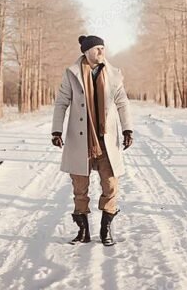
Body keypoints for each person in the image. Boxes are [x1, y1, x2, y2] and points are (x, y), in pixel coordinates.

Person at [51, 35, 133, 246]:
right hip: (81, 139)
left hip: (106, 140)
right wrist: (57, 131)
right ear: (86, 52)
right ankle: (83, 231)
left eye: (102, 48)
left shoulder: (114, 74)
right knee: (80, 187)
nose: (101, 52)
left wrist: (127, 129)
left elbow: (122, 102)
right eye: (97, 49)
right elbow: (61, 102)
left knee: (111, 184)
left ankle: (105, 229)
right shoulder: (72, 74)